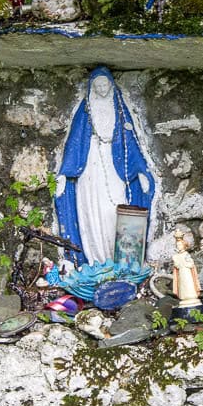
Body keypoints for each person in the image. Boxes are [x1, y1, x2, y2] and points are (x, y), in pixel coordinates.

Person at [55, 67, 154, 267]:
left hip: (113, 163)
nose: (101, 89)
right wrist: (65, 173)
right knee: (93, 209)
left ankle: (123, 260)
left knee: (116, 207)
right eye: (97, 85)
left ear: (111, 85)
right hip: (91, 165)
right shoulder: (85, 110)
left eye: (104, 84)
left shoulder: (119, 109)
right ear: (92, 87)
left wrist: (140, 170)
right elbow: (75, 142)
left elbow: (131, 142)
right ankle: (96, 259)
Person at [172, 230, 201, 308]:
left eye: (180, 245)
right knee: (182, 285)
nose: (179, 247)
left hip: (187, 272)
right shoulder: (176, 256)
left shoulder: (186, 254)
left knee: (189, 284)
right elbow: (176, 265)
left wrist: (185, 264)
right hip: (181, 273)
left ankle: (191, 296)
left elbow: (191, 264)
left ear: (184, 246)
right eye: (177, 245)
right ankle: (184, 297)